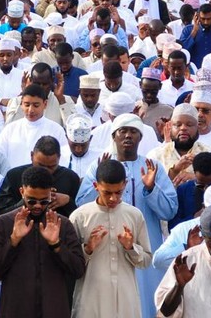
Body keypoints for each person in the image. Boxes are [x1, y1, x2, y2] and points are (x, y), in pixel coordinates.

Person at [75, 113, 177, 316]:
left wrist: (151, 188)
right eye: (123, 131)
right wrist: (99, 180)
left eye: (133, 131)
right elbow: (81, 205)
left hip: (145, 243)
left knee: (144, 301)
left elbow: (170, 210)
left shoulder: (152, 167)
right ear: (114, 136)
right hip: (104, 247)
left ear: (140, 137)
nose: (128, 136)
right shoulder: (99, 166)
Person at [0, 166, 86, 317]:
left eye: (44, 201)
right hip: (16, 309)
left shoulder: (63, 224)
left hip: (54, 309)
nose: (38, 206)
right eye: (31, 201)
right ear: (22, 192)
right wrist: (13, 241)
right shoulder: (5, 223)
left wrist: (56, 244)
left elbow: (78, 270)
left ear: (51, 193)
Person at [70, 159, 153, 318]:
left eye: (118, 192)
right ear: (96, 186)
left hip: (125, 299)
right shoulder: (80, 217)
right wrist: (88, 248)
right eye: (107, 192)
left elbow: (146, 260)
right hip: (90, 299)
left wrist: (130, 248)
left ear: (125, 184)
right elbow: (70, 265)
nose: (113, 199)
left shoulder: (134, 215)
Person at [0, 136, 80, 217]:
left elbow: (80, 218)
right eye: (40, 165)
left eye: (51, 167)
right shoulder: (14, 176)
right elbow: (1, 213)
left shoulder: (71, 178)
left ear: (59, 158)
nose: (46, 171)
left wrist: (68, 201)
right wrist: (28, 200)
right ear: (32, 155)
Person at [0, 84, 68, 168]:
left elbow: (64, 159)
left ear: (45, 104)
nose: (31, 110)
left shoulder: (56, 129)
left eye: (36, 105)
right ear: (21, 104)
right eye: (27, 105)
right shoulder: (10, 129)